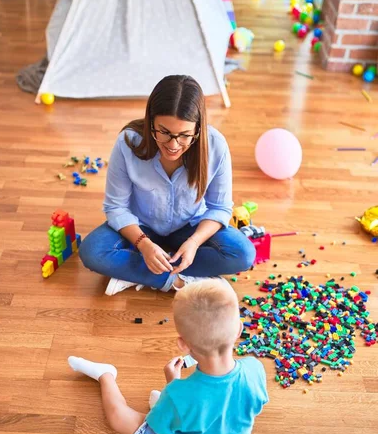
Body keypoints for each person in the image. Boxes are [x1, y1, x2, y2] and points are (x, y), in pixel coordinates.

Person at [79, 75, 256, 296]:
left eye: (184, 135)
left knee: (242, 254)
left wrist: (193, 242)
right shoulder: (128, 142)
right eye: (163, 132)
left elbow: (219, 208)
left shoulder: (215, 146)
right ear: (150, 120)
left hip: (191, 226)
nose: (173, 145)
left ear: (198, 129)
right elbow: (116, 208)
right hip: (140, 227)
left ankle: (133, 273)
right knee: (92, 252)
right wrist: (143, 244)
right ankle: (181, 280)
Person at [67, 279, 268, 434]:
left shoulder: (177, 393)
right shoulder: (255, 368)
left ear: (183, 344)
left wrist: (173, 386)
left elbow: (160, 431)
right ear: (239, 330)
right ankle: (168, 412)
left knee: (120, 418)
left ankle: (105, 375)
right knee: (178, 408)